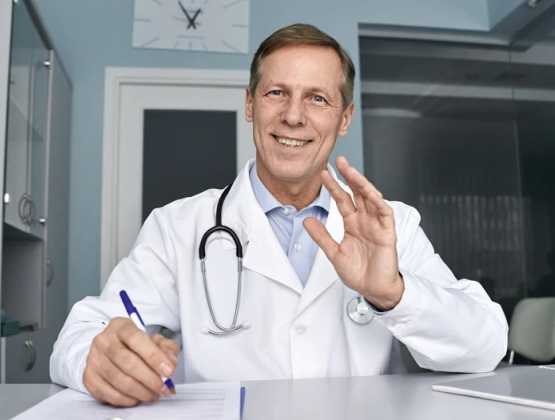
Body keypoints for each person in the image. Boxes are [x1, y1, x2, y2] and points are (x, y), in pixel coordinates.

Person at [50, 23, 508, 407]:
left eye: (317, 99)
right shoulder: (178, 227)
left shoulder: (394, 226)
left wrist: (393, 293)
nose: (293, 116)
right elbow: (83, 332)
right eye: (276, 93)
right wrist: (97, 355)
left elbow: (486, 345)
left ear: (344, 119)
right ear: (250, 104)